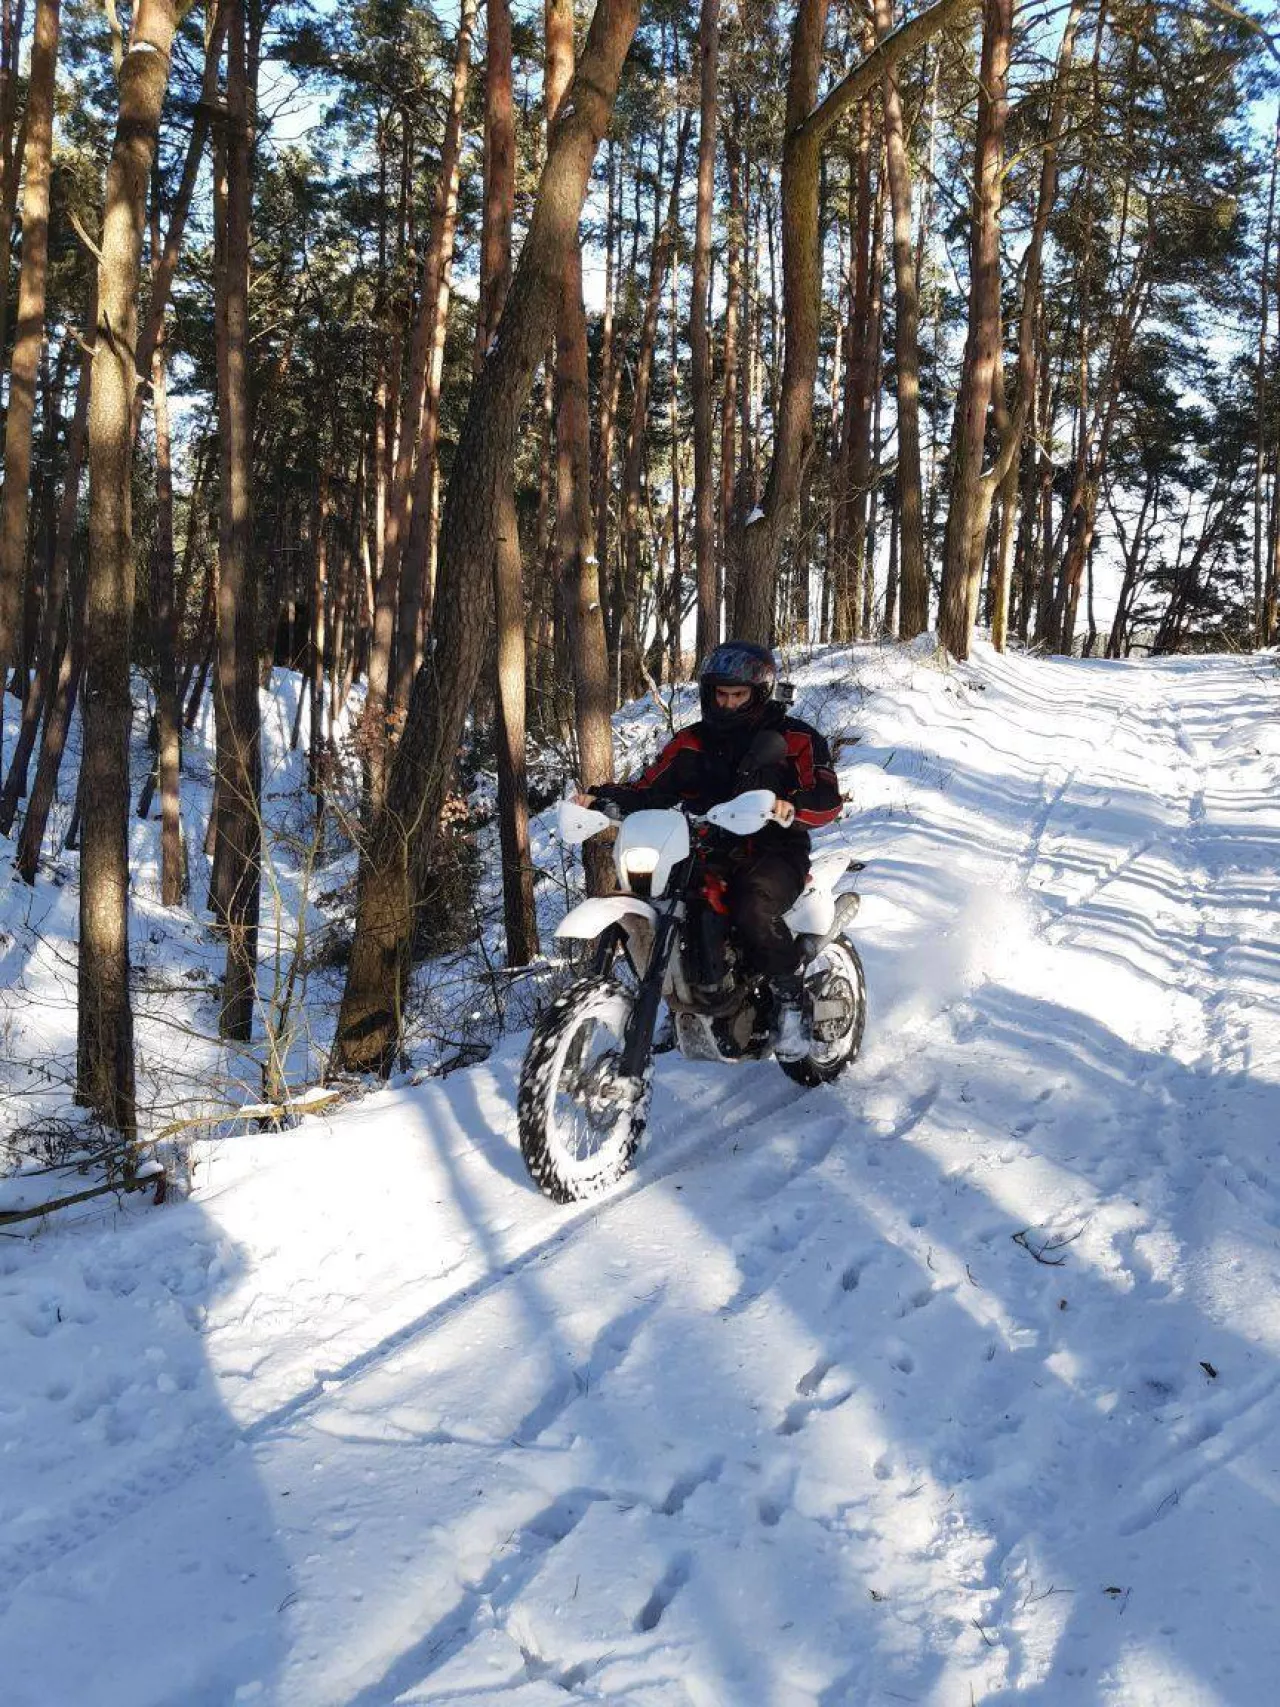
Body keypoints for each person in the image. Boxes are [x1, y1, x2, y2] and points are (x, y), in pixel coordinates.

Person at [576, 641, 841, 1059]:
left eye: (739, 695)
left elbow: (827, 798)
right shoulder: (691, 742)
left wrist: (790, 807)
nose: (729, 703)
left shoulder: (795, 738)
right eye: (722, 694)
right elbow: (649, 788)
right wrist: (600, 798)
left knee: (753, 905)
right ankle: (676, 995)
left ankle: (790, 1001)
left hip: (774, 849)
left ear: (759, 693)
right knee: (658, 902)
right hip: (705, 847)